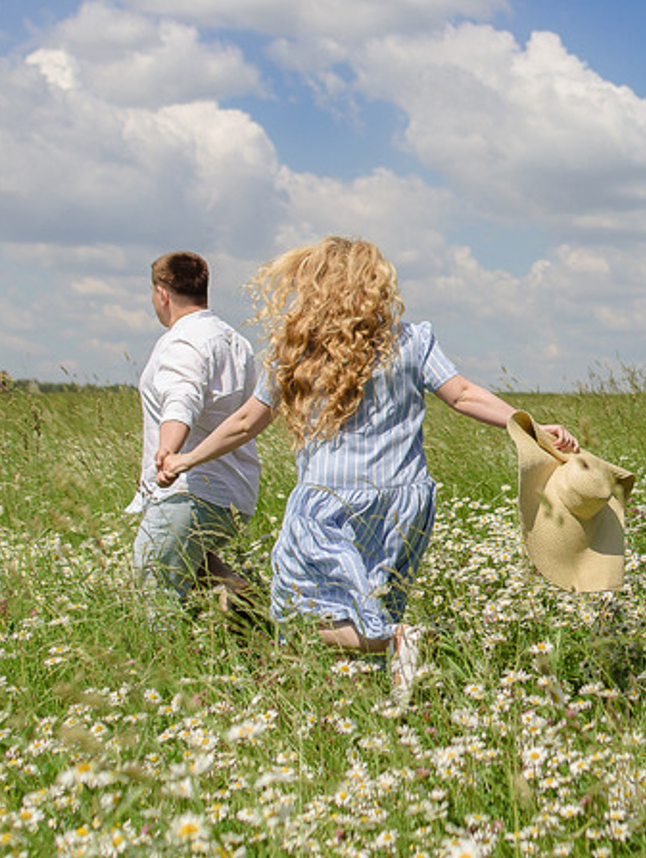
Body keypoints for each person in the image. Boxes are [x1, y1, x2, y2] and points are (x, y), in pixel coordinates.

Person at [155, 236, 577, 701]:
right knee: (373, 604)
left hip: (327, 501)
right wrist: (532, 427)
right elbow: (462, 395)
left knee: (297, 613)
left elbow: (244, 423)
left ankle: (400, 641)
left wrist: (187, 458)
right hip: (404, 502)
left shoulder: (296, 350)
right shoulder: (411, 340)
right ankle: (391, 693)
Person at [128, 251, 261, 613]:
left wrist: (169, 453)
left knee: (153, 582)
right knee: (197, 567)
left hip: (191, 491)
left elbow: (181, 399)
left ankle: (163, 652)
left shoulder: (183, 341)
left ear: (162, 294)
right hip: (235, 491)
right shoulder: (235, 341)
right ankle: (256, 614)